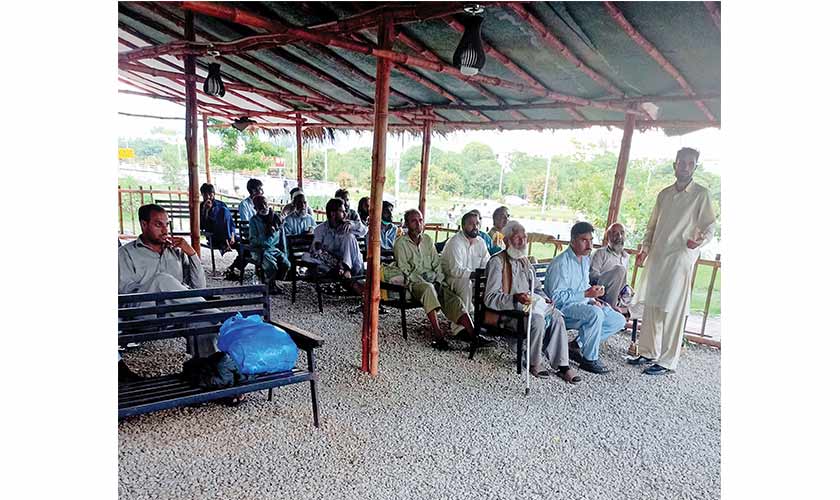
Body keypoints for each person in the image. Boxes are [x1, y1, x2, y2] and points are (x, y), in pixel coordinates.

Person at [628, 147, 716, 375]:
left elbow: (709, 226)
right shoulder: (664, 194)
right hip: (658, 257)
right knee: (653, 305)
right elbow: (652, 226)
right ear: (674, 164)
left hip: (680, 258)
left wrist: (700, 241)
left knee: (673, 309)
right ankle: (648, 351)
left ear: (695, 166)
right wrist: (645, 249)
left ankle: (667, 361)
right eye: (681, 162)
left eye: (690, 163)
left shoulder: (701, 194)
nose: (685, 167)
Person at [118, 204, 217, 380]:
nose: (165, 230)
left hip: (176, 313)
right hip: (143, 316)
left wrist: (192, 254)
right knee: (161, 280)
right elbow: (125, 296)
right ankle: (225, 318)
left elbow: (199, 289)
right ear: (144, 224)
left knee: (203, 323)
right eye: (159, 224)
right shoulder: (125, 254)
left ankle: (210, 378)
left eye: (167, 224)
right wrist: (157, 286)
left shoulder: (176, 251)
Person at [484, 221, 580, 383]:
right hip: (503, 314)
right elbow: (490, 298)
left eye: (524, 238)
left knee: (557, 316)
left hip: (528, 307)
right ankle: (534, 362)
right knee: (537, 320)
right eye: (517, 238)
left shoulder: (524, 261)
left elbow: (536, 288)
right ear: (507, 240)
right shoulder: (497, 262)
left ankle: (563, 366)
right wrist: (515, 298)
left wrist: (545, 298)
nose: (522, 242)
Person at [544, 222, 626, 374]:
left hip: (582, 305)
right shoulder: (561, 263)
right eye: (584, 240)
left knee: (618, 320)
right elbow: (556, 298)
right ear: (573, 241)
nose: (589, 244)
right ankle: (589, 359)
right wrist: (586, 295)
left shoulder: (585, 259)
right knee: (595, 314)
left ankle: (577, 345)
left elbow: (584, 286)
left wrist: (593, 299)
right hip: (562, 310)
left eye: (591, 239)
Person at [440, 211, 494, 347]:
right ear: (463, 226)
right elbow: (455, 270)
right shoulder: (455, 242)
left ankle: (478, 323)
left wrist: (483, 277)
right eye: (471, 224)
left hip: (472, 279)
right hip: (450, 280)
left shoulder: (481, 242)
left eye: (477, 223)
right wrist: (477, 276)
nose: (475, 227)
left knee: (489, 284)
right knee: (466, 283)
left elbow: (486, 263)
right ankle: (460, 329)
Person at [308, 198, 367, 278]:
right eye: (342, 211)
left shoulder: (347, 225)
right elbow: (317, 249)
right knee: (307, 256)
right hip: (333, 262)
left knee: (349, 237)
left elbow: (364, 231)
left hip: (353, 265)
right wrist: (320, 249)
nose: (345, 214)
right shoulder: (320, 230)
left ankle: (346, 269)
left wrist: (352, 225)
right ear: (333, 214)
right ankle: (340, 269)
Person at [249, 195, 291, 294]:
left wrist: (284, 252)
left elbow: (282, 238)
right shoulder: (254, 221)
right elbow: (253, 240)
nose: (263, 207)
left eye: (265, 204)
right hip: (260, 250)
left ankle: (275, 282)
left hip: (274, 249)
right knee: (271, 266)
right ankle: (269, 285)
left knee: (286, 264)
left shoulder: (276, 219)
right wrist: (265, 235)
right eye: (260, 205)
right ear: (255, 208)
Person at [590, 222, 632, 309]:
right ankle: (611, 308)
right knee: (620, 270)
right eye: (615, 233)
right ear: (608, 236)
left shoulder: (626, 257)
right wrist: (612, 278)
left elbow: (623, 282)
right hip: (600, 291)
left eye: (622, 233)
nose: (619, 236)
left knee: (642, 297)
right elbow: (593, 277)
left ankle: (619, 307)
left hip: (618, 293)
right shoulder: (600, 253)